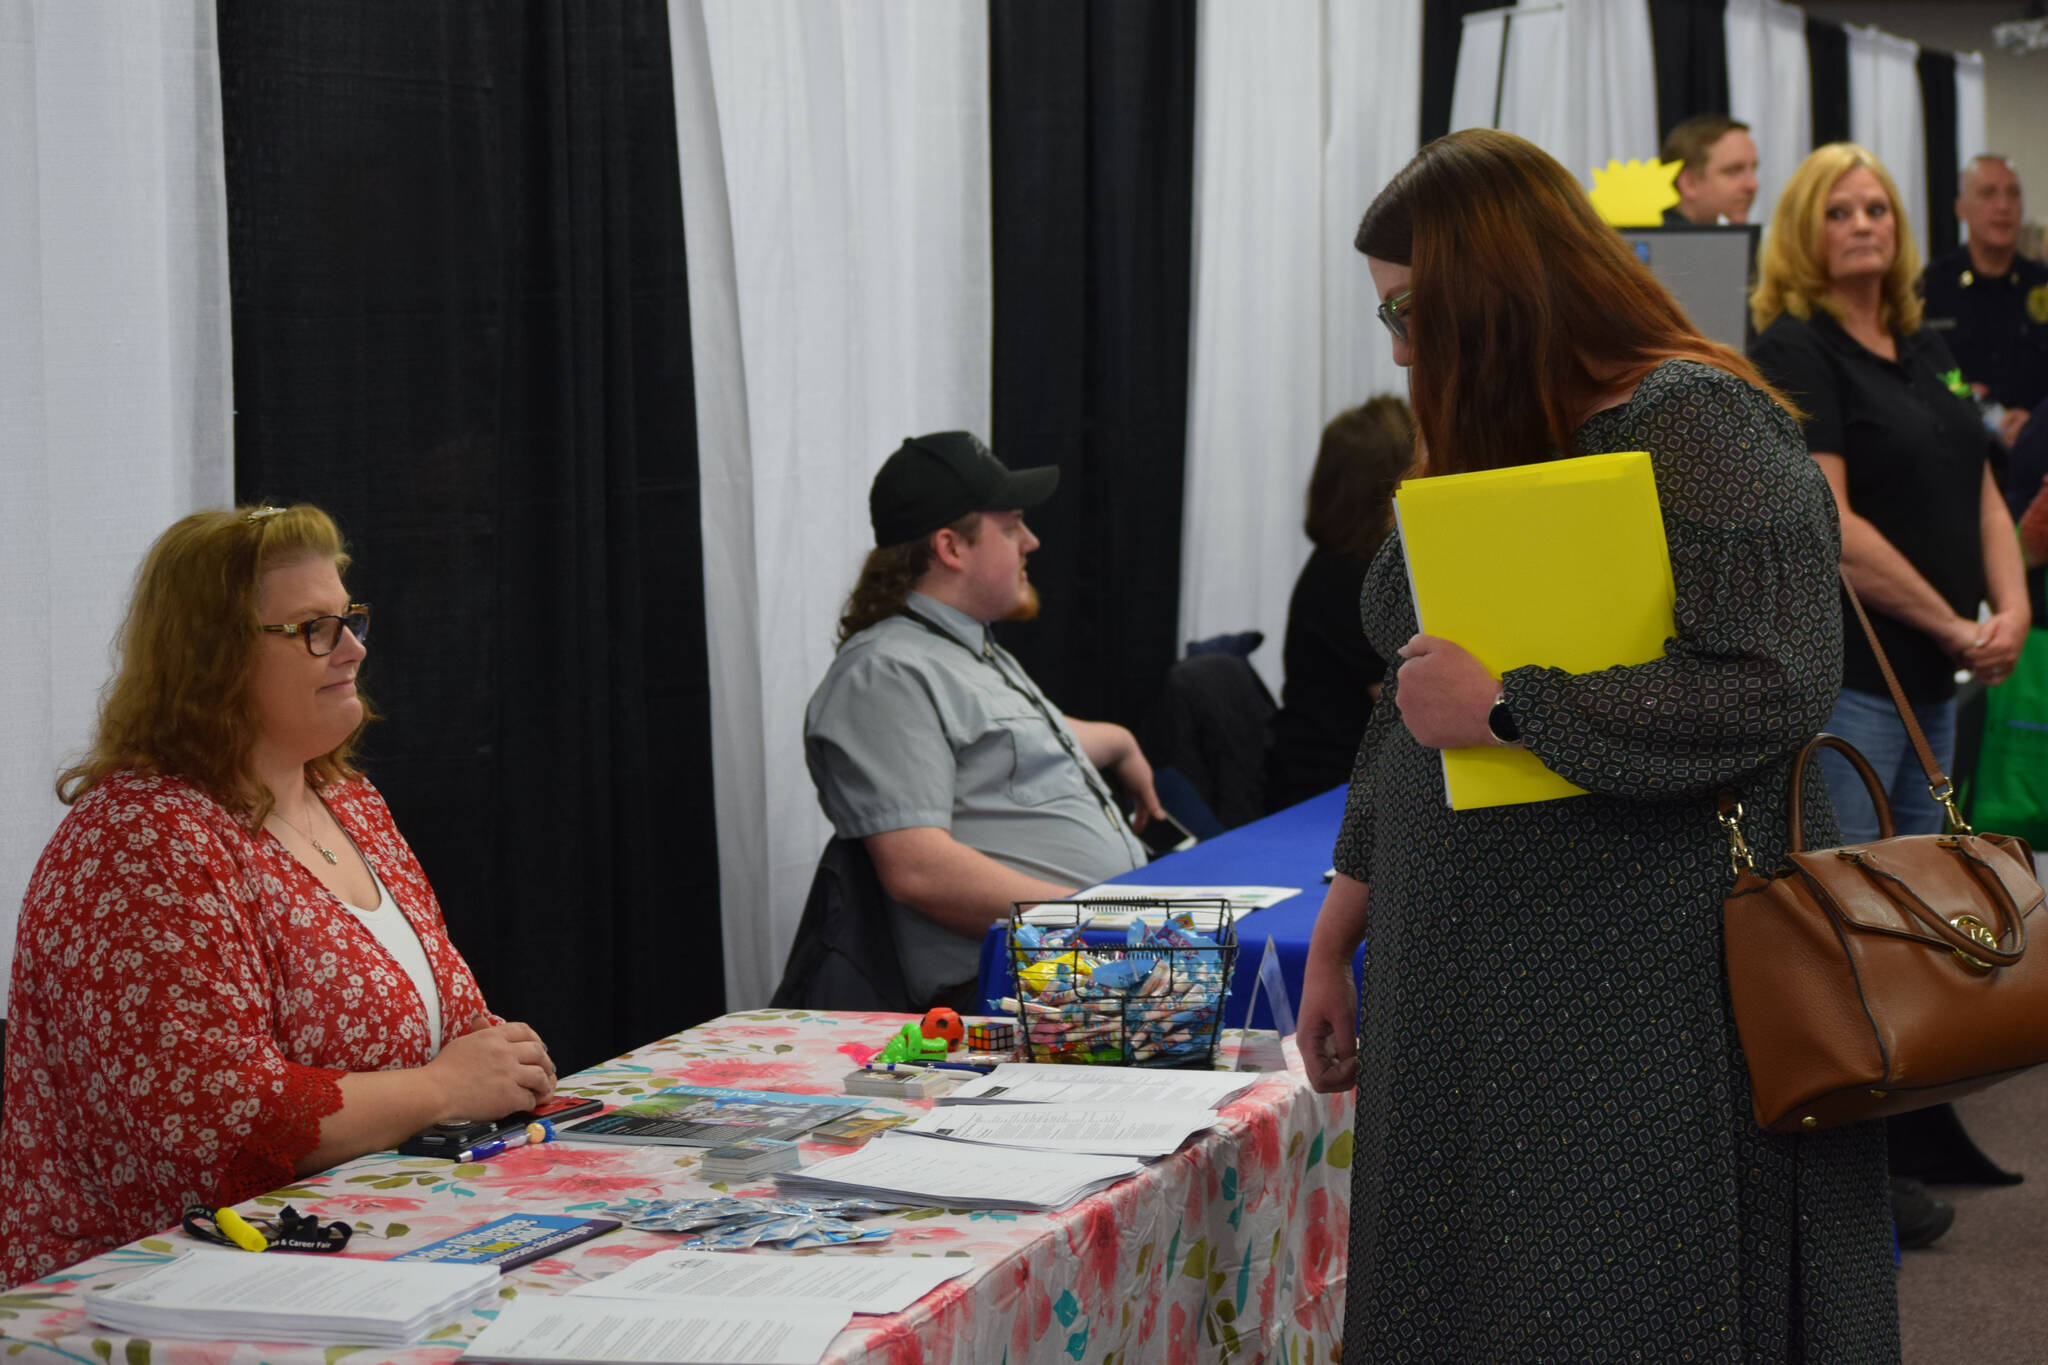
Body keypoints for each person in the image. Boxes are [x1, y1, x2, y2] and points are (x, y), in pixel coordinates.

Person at [1296, 129, 1897, 1359]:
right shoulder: (1491, 433)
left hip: (1640, 983)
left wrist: (1517, 707)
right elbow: (1407, 715)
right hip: (1464, 975)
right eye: (1385, 318)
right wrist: (1338, 923)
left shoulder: (1697, 421)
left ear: (1491, 288)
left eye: (1410, 308)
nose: (1402, 346)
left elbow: (1777, 681)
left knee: (1626, 1298)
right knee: (1473, 1296)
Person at [1, 506, 556, 1286]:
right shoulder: (144, 837)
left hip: (357, 1255)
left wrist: (498, 1063)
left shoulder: (348, 800)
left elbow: (451, 1027)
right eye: (313, 628)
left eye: (349, 618)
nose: (354, 648)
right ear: (212, 657)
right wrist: (444, 1088)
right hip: (165, 1290)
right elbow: (216, 1116)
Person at [1748, 142, 2032, 1248]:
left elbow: (1979, 488)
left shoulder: (1913, 344)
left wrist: (2005, 610)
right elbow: (1832, 530)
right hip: (1858, 688)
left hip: (1939, 683)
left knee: (1927, 929)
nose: (1863, 224)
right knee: (1861, 937)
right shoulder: (1794, 348)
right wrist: (1953, 621)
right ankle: (1855, 1178)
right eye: (1838, 211)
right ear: (1804, 233)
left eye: (1876, 207)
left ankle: (1911, 1133)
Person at [803, 432, 1159, 1010]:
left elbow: (1022, 744)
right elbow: (920, 871)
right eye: (1013, 525)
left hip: (1083, 966)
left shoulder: (960, 649)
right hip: (1021, 990)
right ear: (951, 547)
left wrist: (1120, 742)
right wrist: (1100, 919)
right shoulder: (885, 673)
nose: (1032, 542)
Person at [1262, 396, 1413, 813]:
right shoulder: (1350, 580)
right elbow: (1411, 707)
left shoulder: (1344, 567)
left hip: (1345, 782)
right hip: (1325, 796)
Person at [1921, 155, 2048, 451]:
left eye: (2013, 194)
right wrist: (1960, 394)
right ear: (1960, 209)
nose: (2003, 206)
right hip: (1955, 453)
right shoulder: (1930, 289)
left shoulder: (2041, 285)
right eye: (1988, 193)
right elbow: (1922, 369)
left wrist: (2038, 418)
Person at [1660, 113, 1760, 226]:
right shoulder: (1655, 241)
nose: (1752, 185)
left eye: (1753, 169)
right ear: (1689, 183)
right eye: (1733, 171)